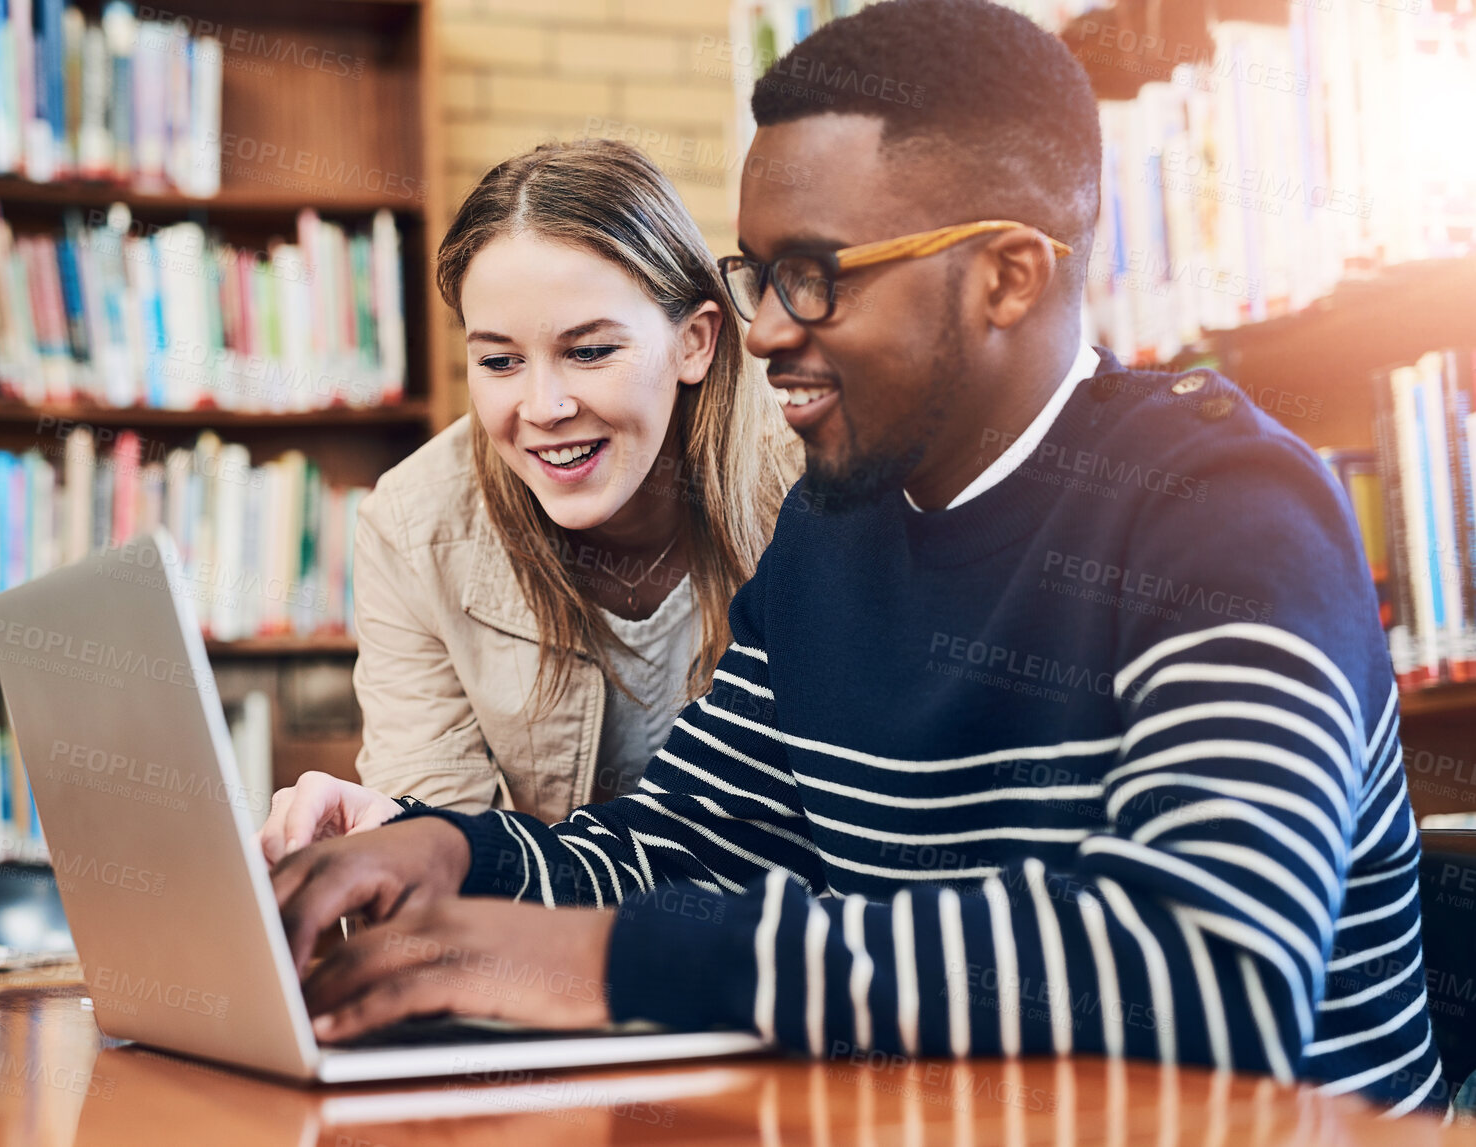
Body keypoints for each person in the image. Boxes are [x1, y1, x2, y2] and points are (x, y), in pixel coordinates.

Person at [269, 0, 1445, 1115]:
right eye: (756, 272)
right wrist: (443, 849)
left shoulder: (1228, 511)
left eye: (814, 275)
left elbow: (1208, 973)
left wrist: (612, 962)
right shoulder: (833, 530)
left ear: (1006, 276)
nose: (767, 330)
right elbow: (678, 845)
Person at [257, 140, 797, 862]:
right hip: (547, 952)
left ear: (693, 343)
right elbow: (445, 866)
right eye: (500, 361)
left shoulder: (812, 487)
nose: (542, 407)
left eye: (591, 350)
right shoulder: (416, 526)